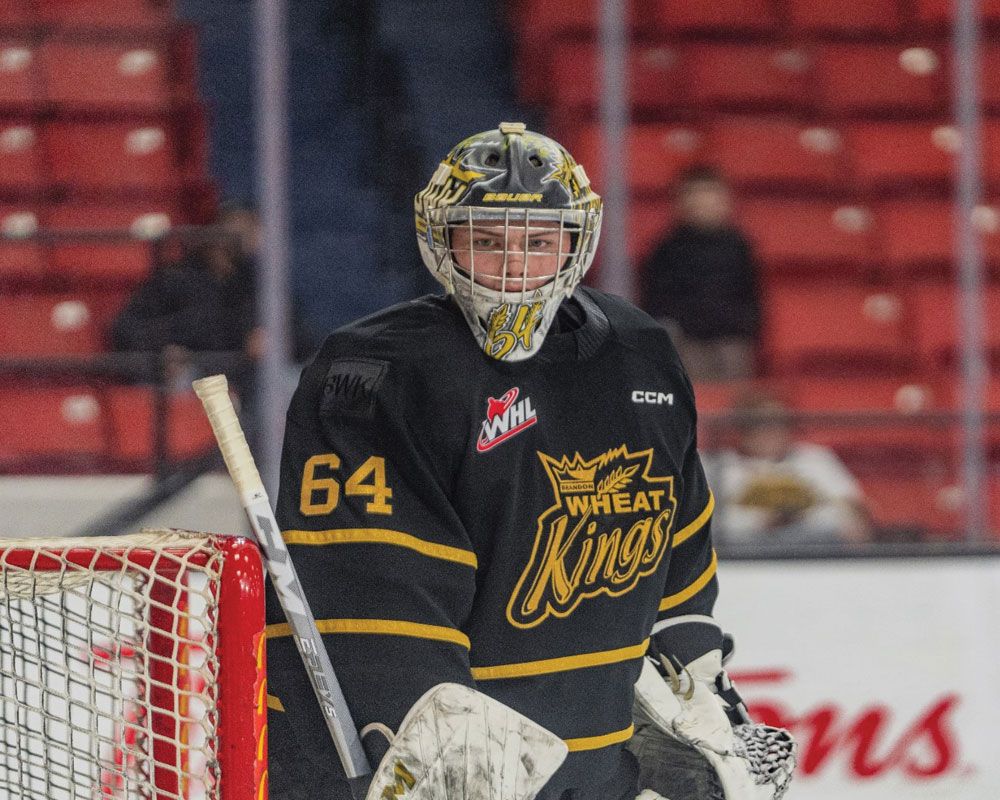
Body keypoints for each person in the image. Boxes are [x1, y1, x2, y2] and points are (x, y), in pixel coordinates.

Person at [265, 123, 795, 800]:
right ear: (442, 240)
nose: (514, 266)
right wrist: (431, 742)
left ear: (575, 244)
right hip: (438, 772)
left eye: (538, 242)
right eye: (486, 241)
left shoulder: (641, 354)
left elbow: (678, 545)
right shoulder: (381, 370)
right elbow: (374, 598)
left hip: (595, 768)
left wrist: (700, 680)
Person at [110, 202, 263, 391]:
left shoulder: (257, 285)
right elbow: (126, 329)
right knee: (188, 382)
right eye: (237, 228)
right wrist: (164, 352)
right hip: (193, 375)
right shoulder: (175, 278)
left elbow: (300, 339)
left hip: (245, 377)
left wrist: (273, 342)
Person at [640, 165, 762, 381]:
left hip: (731, 340)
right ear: (680, 203)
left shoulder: (740, 247)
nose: (703, 204)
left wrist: (742, 328)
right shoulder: (665, 250)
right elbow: (655, 302)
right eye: (696, 196)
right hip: (687, 342)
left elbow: (751, 296)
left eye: (710, 196)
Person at [705, 389, 872, 546]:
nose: (771, 432)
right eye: (760, 424)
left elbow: (855, 513)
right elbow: (708, 526)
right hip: (745, 553)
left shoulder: (815, 458)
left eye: (778, 423)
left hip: (812, 551)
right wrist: (764, 519)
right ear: (741, 430)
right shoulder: (719, 465)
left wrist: (799, 512)